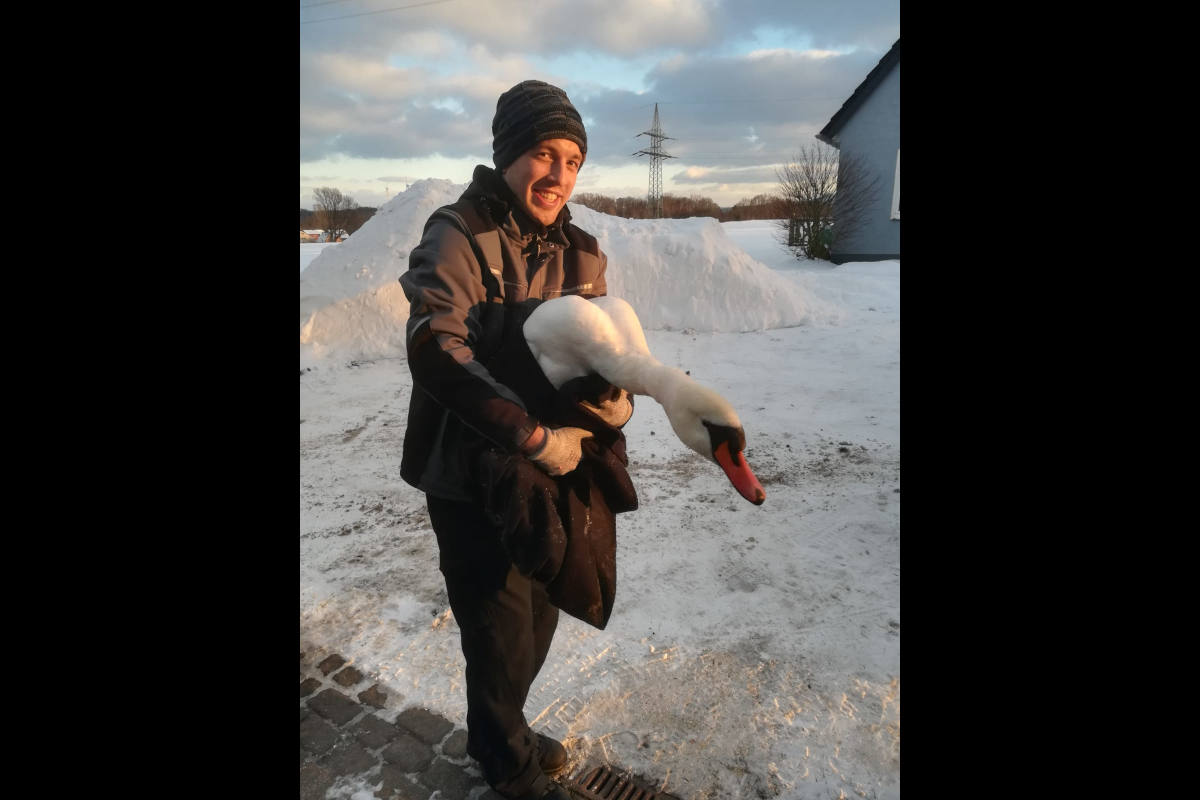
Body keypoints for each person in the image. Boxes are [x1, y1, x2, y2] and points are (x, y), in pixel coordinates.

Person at [398, 80, 633, 800]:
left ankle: (502, 727)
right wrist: (529, 435)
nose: (559, 175)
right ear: (508, 154)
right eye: (543, 153)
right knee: (496, 625)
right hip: (467, 468)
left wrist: (614, 396)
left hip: (550, 470)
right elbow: (437, 346)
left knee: (539, 612)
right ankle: (507, 762)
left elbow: (595, 351)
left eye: (573, 161)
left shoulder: (583, 252)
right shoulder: (458, 233)